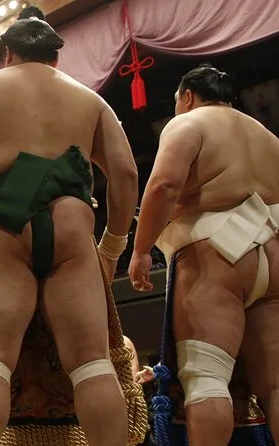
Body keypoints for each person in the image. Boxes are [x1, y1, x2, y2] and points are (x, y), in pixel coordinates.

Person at [0, 17, 139, 446]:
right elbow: (126, 174)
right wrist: (113, 245)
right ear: (56, 57)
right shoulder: (90, 100)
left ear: (8, 54)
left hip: (6, 222)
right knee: (92, 363)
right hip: (72, 224)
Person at [129, 64, 279, 445]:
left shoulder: (188, 123)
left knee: (206, 378)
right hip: (275, 251)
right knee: (277, 385)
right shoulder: (268, 136)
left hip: (218, 253)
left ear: (187, 96)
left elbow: (163, 185)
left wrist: (141, 250)